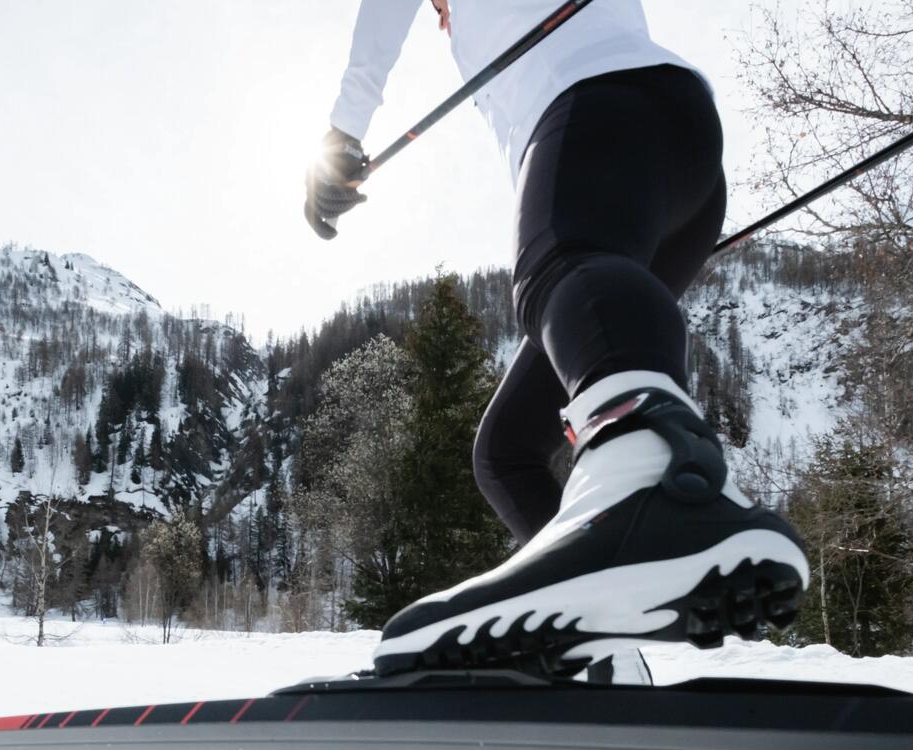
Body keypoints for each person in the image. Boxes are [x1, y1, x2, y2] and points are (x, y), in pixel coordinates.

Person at [304, 0, 808, 677]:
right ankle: (604, 647)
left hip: (598, 109)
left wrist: (341, 138)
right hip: (676, 163)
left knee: (557, 267)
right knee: (507, 450)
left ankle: (651, 483)